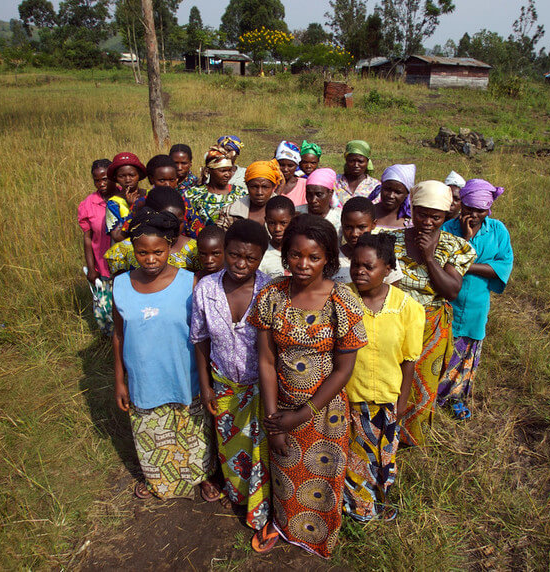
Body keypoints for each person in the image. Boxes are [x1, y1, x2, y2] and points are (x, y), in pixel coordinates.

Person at [248, 214, 367, 558]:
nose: (303, 264)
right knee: (284, 471)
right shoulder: (272, 295)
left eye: (314, 257)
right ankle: (282, 524)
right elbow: (267, 361)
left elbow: (344, 370)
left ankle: (319, 536)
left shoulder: (342, 301)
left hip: (324, 412)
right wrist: (275, 421)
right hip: (280, 404)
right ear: (285, 255)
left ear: (328, 259)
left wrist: (304, 413)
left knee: (322, 477)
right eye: (296, 255)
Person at [112, 209, 217, 501]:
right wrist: (120, 381)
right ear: (133, 250)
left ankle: (202, 477)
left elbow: (201, 335)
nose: (150, 259)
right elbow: (118, 336)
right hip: (144, 378)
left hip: (184, 374)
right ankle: (157, 479)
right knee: (150, 431)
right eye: (142, 252)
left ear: (170, 247)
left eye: (158, 251)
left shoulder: (189, 282)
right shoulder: (120, 286)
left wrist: (207, 378)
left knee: (193, 432)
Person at [190, 220, 272, 543]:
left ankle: (262, 508)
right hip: (223, 384)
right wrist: (206, 385)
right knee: (230, 447)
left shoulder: (269, 290)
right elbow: (200, 339)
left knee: (260, 451)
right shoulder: (206, 289)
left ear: (261, 258)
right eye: (234, 255)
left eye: (250, 259)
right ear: (224, 252)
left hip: (261, 388)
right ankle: (237, 494)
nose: (241, 264)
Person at [343, 233, 424, 522]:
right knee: (355, 457)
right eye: (355, 265)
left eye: (368, 266)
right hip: (349, 398)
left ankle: (380, 498)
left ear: (388, 268)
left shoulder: (408, 308)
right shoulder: (342, 300)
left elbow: (409, 360)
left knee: (383, 455)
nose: (359, 272)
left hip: (387, 400)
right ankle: (359, 509)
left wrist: (401, 402)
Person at [391, 181, 476, 447]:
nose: (427, 221)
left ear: (446, 215)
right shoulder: (390, 240)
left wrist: (429, 256)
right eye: (422, 214)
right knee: (390, 379)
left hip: (432, 326)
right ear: (412, 210)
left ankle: (409, 438)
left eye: (435, 216)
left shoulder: (455, 246)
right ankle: (384, 431)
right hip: (394, 321)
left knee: (423, 381)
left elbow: (451, 290)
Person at [439, 179, 513, 419]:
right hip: (447, 301)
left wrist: (465, 264)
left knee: (468, 350)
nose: (473, 215)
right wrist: (468, 242)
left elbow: (502, 267)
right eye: (468, 208)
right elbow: (440, 264)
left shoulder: (498, 231)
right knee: (444, 348)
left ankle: (456, 397)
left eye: (480, 211)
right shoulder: (447, 230)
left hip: (476, 305)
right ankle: (436, 396)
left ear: (488, 210)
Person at [78, 158, 114, 335]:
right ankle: (109, 343)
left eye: (105, 179)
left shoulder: (124, 198)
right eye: (97, 180)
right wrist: (91, 268)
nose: (101, 184)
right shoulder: (88, 204)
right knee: (104, 310)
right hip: (102, 265)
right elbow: (87, 238)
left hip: (124, 267)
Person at [332, 197, 403, 284]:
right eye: (348, 227)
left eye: (361, 227)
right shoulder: (333, 259)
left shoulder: (384, 255)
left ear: (373, 224)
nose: (354, 233)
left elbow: (393, 293)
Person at [185, 142, 247, 237]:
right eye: (222, 171)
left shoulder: (241, 194)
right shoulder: (193, 194)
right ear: (208, 171)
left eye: (230, 170)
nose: (227, 174)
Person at [216, 159, 284, 229]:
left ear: (273, 186)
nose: (259, 192)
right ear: (247, 186)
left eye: (265, 187)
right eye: (254, 187)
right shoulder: (230, 212)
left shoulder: (284, 210)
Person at [105, 152, 148, 244]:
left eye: (132, 175)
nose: (128, 180)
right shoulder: (113, 203)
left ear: (139, 175)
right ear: (116, 178)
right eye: (122, 176)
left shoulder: (150, 195)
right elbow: (117, 237)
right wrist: (133, 209)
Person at [368, 164, 415, 230]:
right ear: (381, 188)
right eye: (387, 189)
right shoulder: (367, 213)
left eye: (397, 192)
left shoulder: (411, 221)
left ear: (406, 194)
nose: (390, 196)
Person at [334, 140, 380, 207]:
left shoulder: (375, 186)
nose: (356, 165)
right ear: (346, 160)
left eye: (360, 161)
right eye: (352, 161)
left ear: (367, 162)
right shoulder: (335, 181)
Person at [297, 168, 342, 233]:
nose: (313, 200)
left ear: (330, 193)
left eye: (319, 194)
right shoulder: (297, 213)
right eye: (309, 194)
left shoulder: (340, 217)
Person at [259, 196, 295, 278]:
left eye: (283, 223)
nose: (277, 229)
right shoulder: (263, 255)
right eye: (271, 223)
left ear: (293, 220)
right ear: (266, 221)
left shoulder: (302, 250)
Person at [274, 141, 307, 206]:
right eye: (281, 165)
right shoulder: (269, 184)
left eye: (290, 166)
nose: (285, 169)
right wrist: (280, 186)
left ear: (296, 166)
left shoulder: (304, 185)